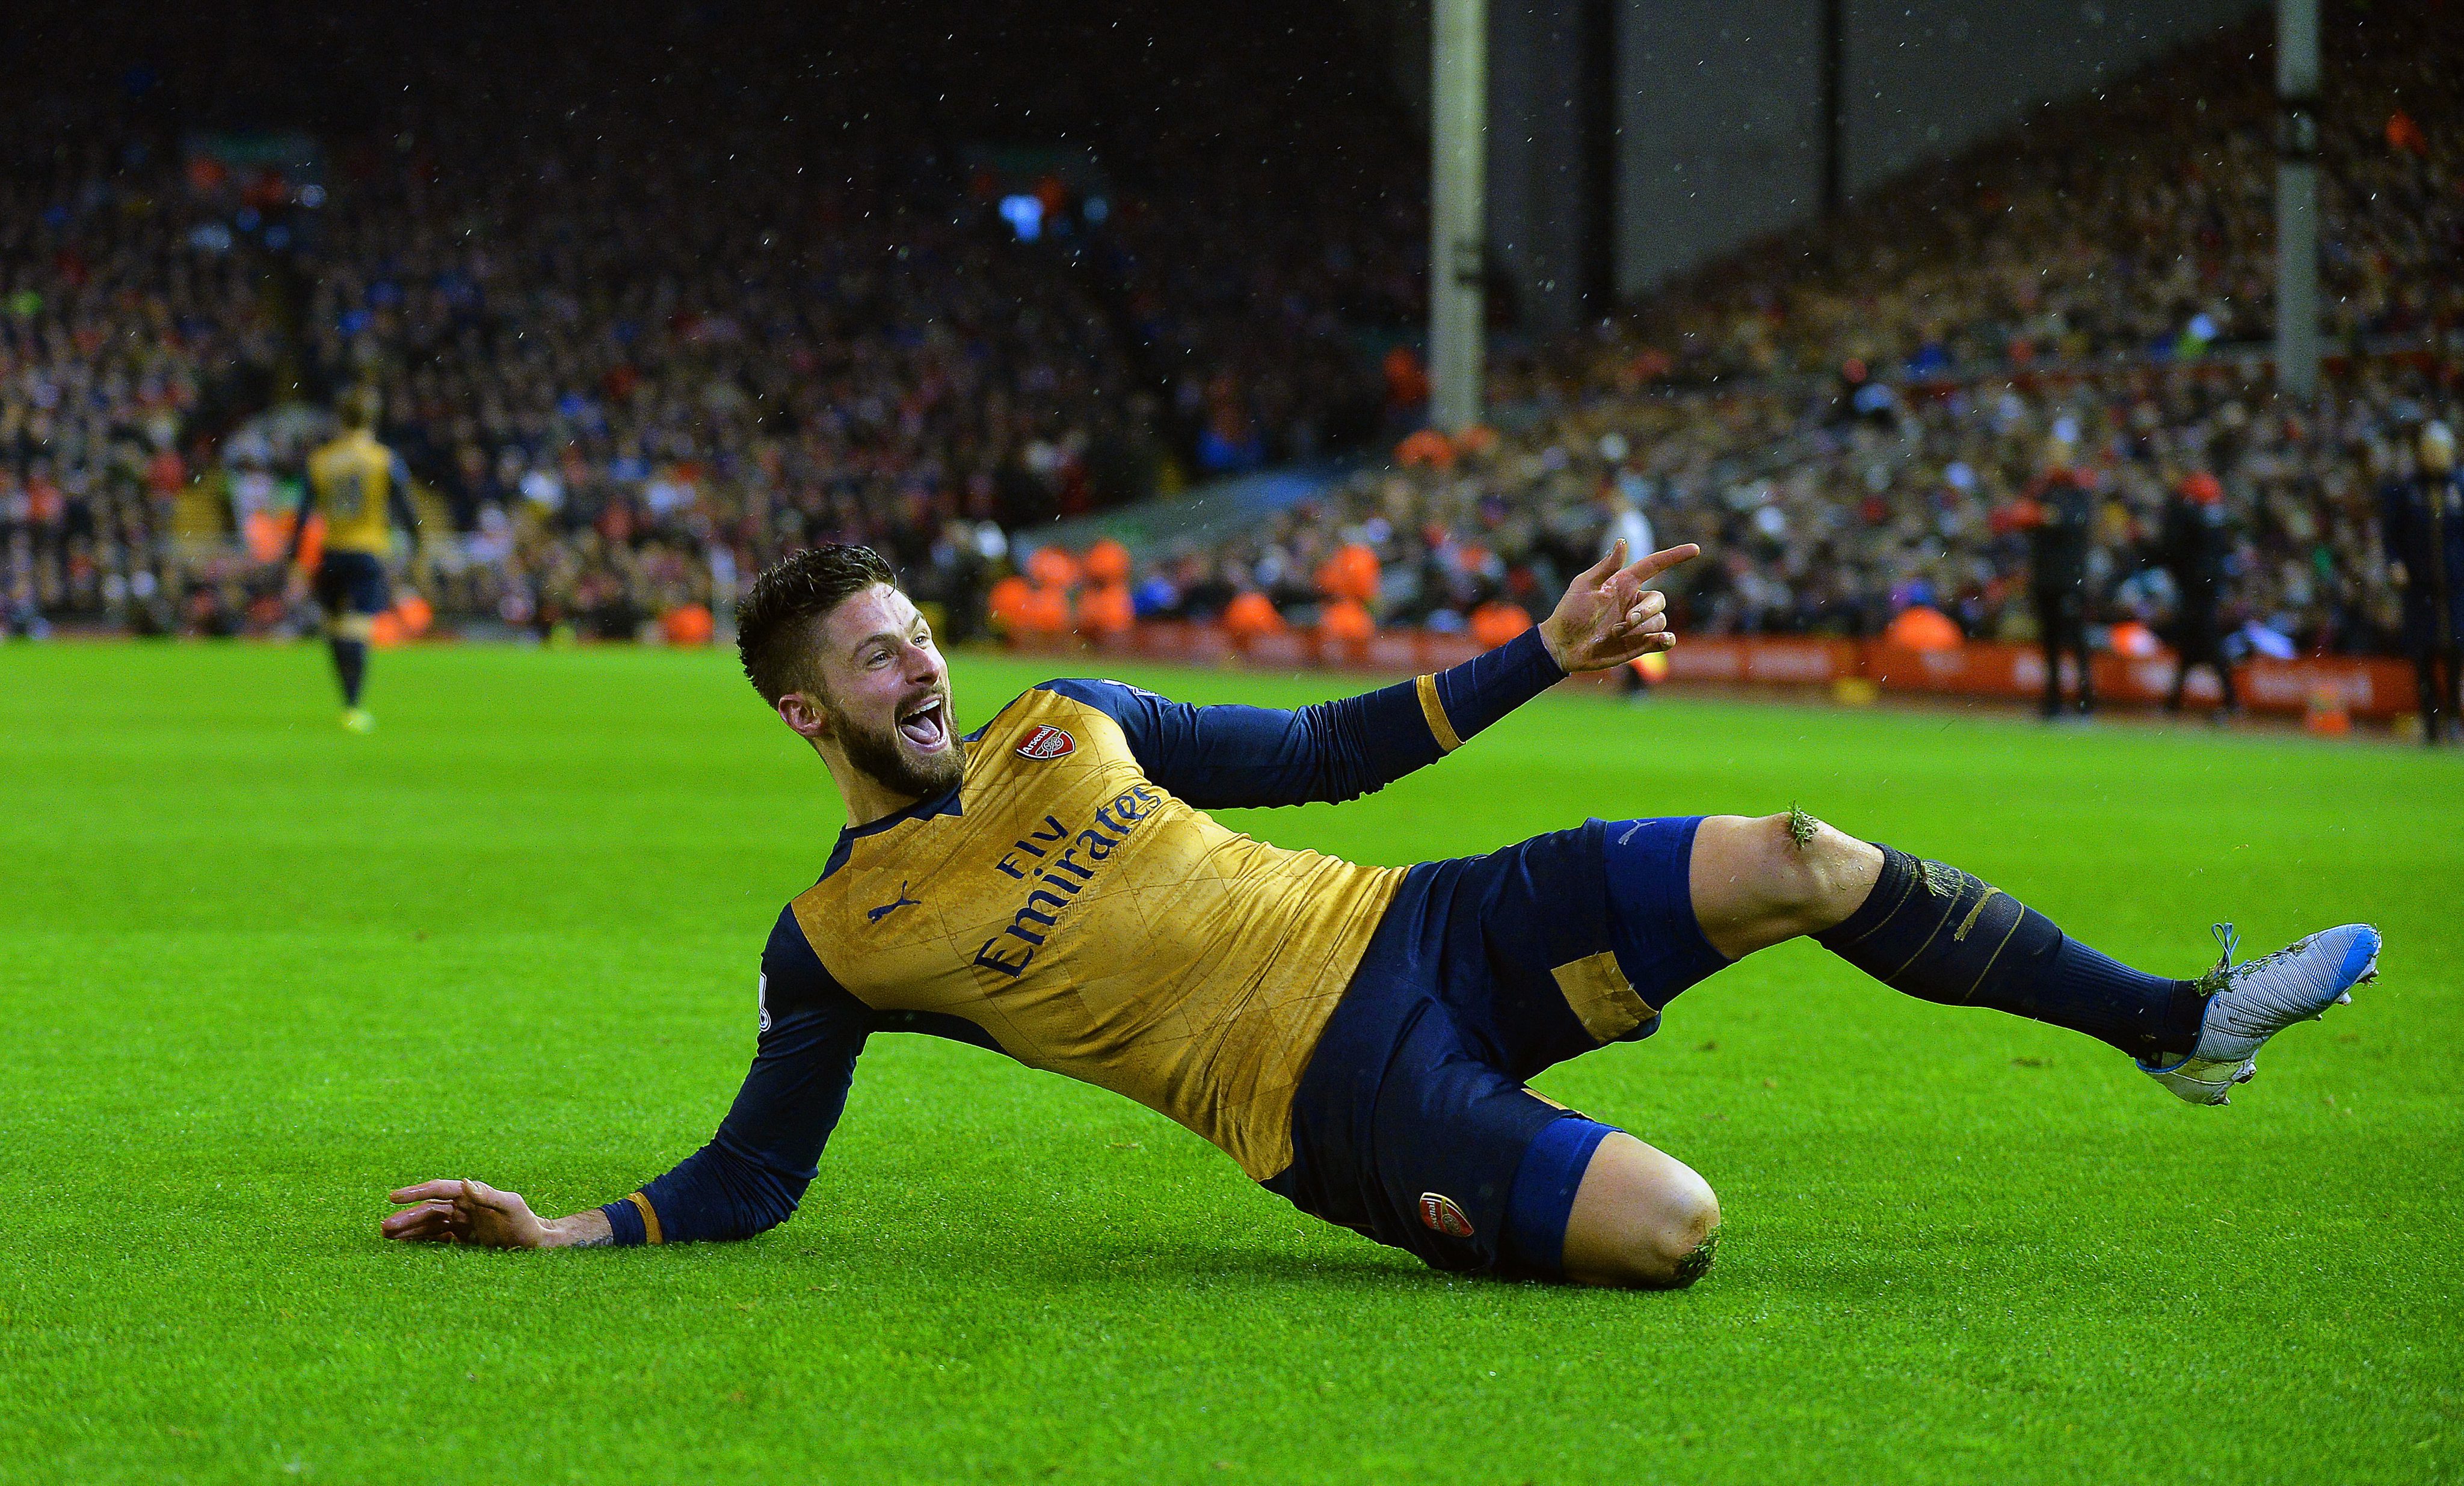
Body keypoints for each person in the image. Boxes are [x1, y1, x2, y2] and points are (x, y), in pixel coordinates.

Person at [383, 542, 2378, 1288]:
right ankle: (1482, 1177)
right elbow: (750, 1176)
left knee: (1795, 848)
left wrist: (1543, 651)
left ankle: (2171, 1024)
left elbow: (1331, 750)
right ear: (807, 711)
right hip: (1330, 1098)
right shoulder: (836, 937)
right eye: (876, 657)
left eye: (918, 632)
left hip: (1419, 923)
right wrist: (559, 1229)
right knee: (1672, 1228)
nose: (922, 666)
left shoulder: (1071, 720)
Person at [285, 388, 419, 732]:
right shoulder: (384, 459)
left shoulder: (321, 460)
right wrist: (417, 546)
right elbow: (406, 510)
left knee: (334, 627)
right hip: (367, 551)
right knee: (358, 628)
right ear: (373, 419)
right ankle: (353, 705)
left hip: (332, 550)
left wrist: (294, 559)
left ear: (340, 419)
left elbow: (303, 515)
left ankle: (347, 701)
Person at [2378, 422, 2464, 745]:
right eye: (2429, 450)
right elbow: (2391, 536)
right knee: (2423, 654)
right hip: (2419, 587)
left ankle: (2453, 717)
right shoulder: (2407, 490)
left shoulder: (2460, 487)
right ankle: (2430, 720)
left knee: (2456, 652)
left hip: (2456, 587)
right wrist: (2395, 564)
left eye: (2440, 450)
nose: (2435, 456)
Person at [2024, 445, 2097, 720]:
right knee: (2051, 644)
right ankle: (2053, 703)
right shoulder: (2043, 491)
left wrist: (2048, 516)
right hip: (2046, 580)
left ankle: (2085, 702)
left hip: (2069, 580)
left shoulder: (2078, 493)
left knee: (2076, 642)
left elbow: (2074, 523)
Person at [2160, 471, 2238, 719]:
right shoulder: (2216, 518)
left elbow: (2173, 545)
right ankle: (2177, 701)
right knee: (2194, 644)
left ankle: (2230, 701)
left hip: (2197, 590)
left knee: (2207, 642)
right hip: (2206, 588)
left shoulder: (2193, 517)